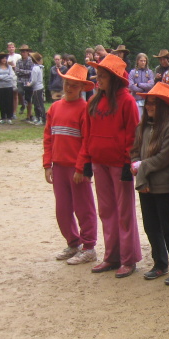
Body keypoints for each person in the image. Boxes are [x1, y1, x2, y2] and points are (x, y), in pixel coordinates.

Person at [77, 53, 142, 278]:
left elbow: (133, 134)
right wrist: (86, 160)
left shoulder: (127, 101)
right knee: (106, 211)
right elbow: (87, 134)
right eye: (98, 75)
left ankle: (128, 258)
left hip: (119, 164)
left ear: (114, 78)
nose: (98, 79)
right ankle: (111, 256)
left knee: (124, 212)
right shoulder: (94, 101)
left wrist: (127, 162)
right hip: (99, 162)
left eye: (103, 76)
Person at [130, 82, 169, 284]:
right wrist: (136, 166)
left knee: (168, 226)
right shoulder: (142, 127)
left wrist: (140, 168)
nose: (149, 106)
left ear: (163, 106)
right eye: (147, 102)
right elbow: (135, 151)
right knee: (150, 225)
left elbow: (164, 158)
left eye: (153, 103)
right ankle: (160, 263)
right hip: (145, 184)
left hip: (164, 185)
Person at [43, 63, 98, 265]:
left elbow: (87, 141)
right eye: (67, 83)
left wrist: (81, 167)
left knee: (84, 208)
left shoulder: (85, 109)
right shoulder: (55, 107)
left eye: (74, 85)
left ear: (82, 87)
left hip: (77, 168)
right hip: (59, 166)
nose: (69, 87)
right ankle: (73, 243)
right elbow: (48, 137)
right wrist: (47, 164)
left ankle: (89, 247)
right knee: (63, 209)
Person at [128, 53, 155, 119]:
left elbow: (151, 85)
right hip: (137, 100)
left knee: (148, 119)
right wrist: (143, 89)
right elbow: (131, 86)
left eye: (144, 61)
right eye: (141, 61)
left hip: (147, 101)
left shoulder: (150, 72)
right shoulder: (132, 72)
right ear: (137, 61)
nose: (143, 62)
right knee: (139, 119)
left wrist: (139, 85)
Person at [0, 52, 16, 124]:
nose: (4, 60)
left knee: (9, 101)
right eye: (3, 58)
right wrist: (6, 77)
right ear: (0, 59)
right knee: (1, 102)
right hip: (0, 87)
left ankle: (9, 117)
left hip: (8, 86)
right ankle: (3, 117)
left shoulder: (9, 67)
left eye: (5, 58)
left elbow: (11, 76)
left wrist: (3, 78)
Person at [16, 44, 35, 121]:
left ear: (28, 52)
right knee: (19, 92)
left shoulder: (31, 61)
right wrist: (25, 72)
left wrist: (22, 71)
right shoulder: (18, 61)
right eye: (22, 51)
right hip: (20, 81)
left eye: (25, 51)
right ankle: (23, 105)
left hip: (29, 82)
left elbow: (32, 72)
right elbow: (17, 72)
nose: (23, 53)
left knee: (28, 98)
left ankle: (29, 115)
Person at [28, 52, 46, 126]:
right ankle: (38, 118)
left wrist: (29, 84)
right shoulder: (39, 67)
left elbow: (34, 80)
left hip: (37, 88)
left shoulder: (35, 68)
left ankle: (42, 119)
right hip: (39, 87)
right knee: (37, 104)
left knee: (38, 104)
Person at [6, 42, 18, 118]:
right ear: (7, 48)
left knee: (15, 95)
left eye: (12, 47)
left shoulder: (18, 56)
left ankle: (14, 112)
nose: (11, 48)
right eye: (10, 47)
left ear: (15, 48)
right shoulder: (6, 57)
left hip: (16, 77)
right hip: (7, 77)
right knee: (8, 95)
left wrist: (14, 66)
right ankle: (8, 111)